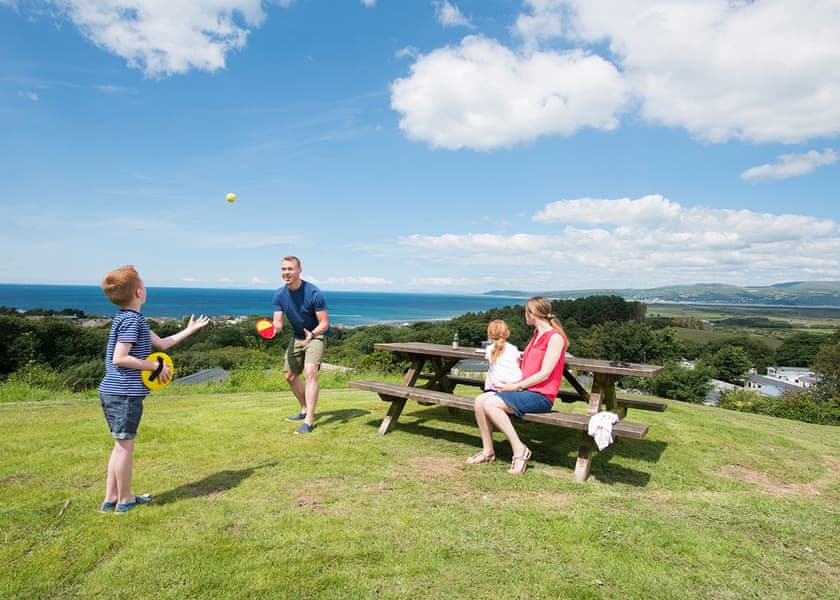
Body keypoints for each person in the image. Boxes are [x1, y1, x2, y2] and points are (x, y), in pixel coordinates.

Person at [98, 265, 209, 513]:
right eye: (144, 284)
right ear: (139, 292)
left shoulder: (129, 319)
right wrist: (154, 366)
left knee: (120, 445)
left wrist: (189, 330)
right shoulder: (132, 322)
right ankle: (125, 500)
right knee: (125, 446)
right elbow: (120, 357)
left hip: (114, 391)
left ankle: (111, 499)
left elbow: (161, 343)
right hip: (124, 392)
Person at [466, 296, 568, 475]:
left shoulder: (555, 338)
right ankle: (488, 451)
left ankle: (519, 449)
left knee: (491, 403)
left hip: (540, 396)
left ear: (533, 313)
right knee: (480, 400)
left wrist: (516, 386)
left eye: (526, 312)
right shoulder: (537, 335)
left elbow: (545, 373)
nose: (524, 316)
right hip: (526, 390)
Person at [271, 256, 330, 434]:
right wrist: (276, 327)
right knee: (290, 376)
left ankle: (309, 420)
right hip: (297, 336)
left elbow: (324, 324)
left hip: (316, 335)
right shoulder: (280, 294)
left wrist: (311, 334)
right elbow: (278, 321)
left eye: (290, 269)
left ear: (299, 270)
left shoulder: (313, 293)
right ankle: (304, 408)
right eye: (283, 269)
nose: (286, 273)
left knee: (310, 372)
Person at [483, 319, 522, 392]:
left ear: (490, 335)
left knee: (490, 372)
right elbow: (518, 363)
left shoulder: (489, 349)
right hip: (516, 384)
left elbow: (491, 361)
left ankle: (487, 390)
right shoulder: (513, 349)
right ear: (507, 333)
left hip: (499, 387)